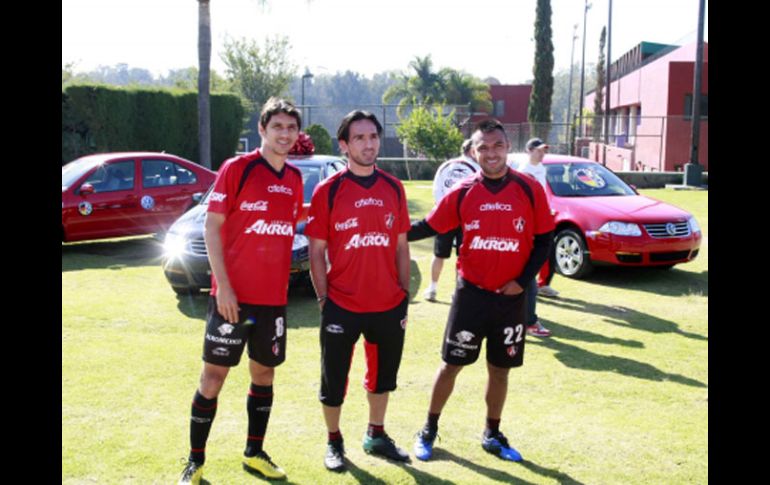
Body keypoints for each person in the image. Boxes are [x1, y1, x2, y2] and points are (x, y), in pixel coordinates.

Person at [407, 119, 554, 462]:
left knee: (500, 370)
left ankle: (492, 432)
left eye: (497, 145)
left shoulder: (529, 189)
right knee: (451, 365)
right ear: (474, 152)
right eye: (483, 147)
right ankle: (428, 429)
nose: (491, 153)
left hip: (511, 299)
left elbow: (544, 239)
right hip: (471, 295)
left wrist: (523, 280)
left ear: (507, 148)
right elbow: (427, 226)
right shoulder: (462, 191)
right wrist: (391, 229)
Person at [177, 98, 305, 484]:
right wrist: (224, 289)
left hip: (272, 301)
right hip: (233, 298)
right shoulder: (237, 168)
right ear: (262, 130)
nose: (284, 134)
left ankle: (254, 452)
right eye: (277, 127)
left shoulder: (295, 179)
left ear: (297, 134)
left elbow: (287, 227)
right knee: (213, 377)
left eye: (291, 128)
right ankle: (195, 461)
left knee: (264, 373)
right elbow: (212, 228)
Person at [305, 110, 412, 472]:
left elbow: (401, 246)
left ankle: (376, 434)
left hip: (388, 304)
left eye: (373, 137)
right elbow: (316, 252)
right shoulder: (328, 191)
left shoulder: (394, 187)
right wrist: (323, 298)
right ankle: (334, 441)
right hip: (341, 304)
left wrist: (403, 294)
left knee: (382, 378)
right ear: (345, 145)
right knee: (334, 380)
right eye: (360, 138)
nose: (369, 144)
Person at [424, 139, 480, 302]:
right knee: (462, 256)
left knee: (439, 254)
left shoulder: (445, 165)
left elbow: (437, 190)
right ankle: (458, 291)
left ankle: (432, 288)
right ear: (471, 150)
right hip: (465, 221)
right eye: (478, 148)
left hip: (445, 218)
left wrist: (444, 211)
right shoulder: (476, 168)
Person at [516, 137, 559, 338]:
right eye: (539, 150)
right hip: (526, 227)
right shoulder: (525, 171)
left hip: (537, 223)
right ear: (529, 150)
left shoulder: (541, 169)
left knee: (531, 273)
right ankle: (529, 321)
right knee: (527, 276)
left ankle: (527, 319)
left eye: (544, 150)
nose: (542, 154)